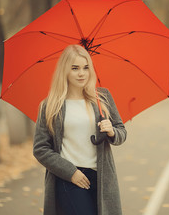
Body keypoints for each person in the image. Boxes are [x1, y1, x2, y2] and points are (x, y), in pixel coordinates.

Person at [33, 44, 127, 215]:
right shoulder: (51, 106)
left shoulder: (102, 98)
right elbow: (40, 149)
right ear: (65, 71)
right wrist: (71, 173)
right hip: (69, 178)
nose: (81, 73)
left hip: (101, 177)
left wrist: (112, 131)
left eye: (85, 67)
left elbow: (122, 131)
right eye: (75, 68)